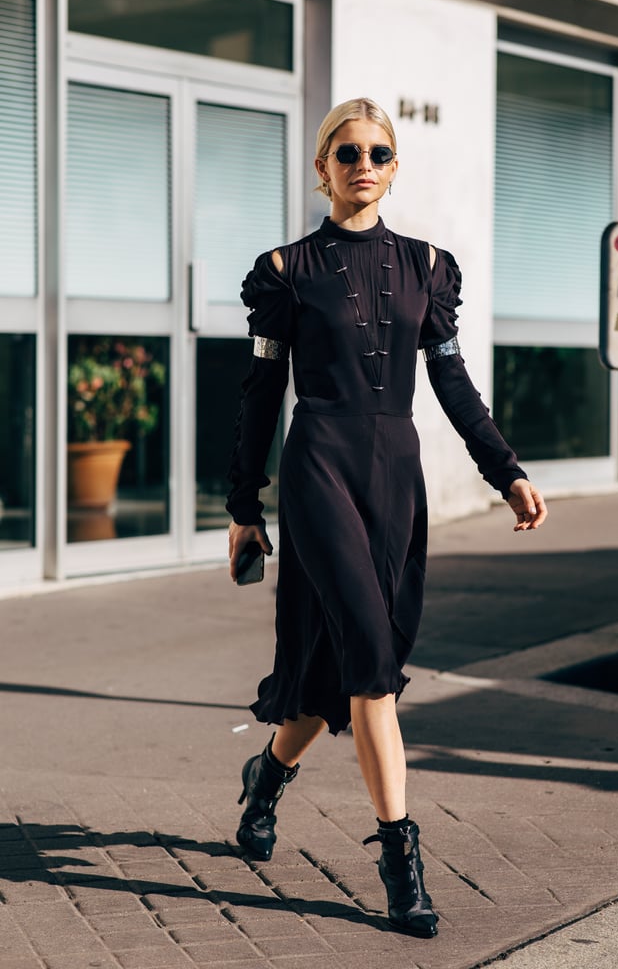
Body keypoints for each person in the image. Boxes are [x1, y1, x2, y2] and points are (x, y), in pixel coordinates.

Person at [227, 97, 547, 939]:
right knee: (372, 665)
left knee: (347, 666)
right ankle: (400, 860)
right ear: (321, 169)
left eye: (377, 150)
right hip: (319, 467)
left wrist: (502, 469)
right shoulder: (284, 270)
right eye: (345, 151)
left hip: (395, 477)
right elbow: (260, 396)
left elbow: (451, 382)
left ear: (394, 166)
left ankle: (266, 776)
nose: (361, 161)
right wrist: (241, 505)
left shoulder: (427, 266)